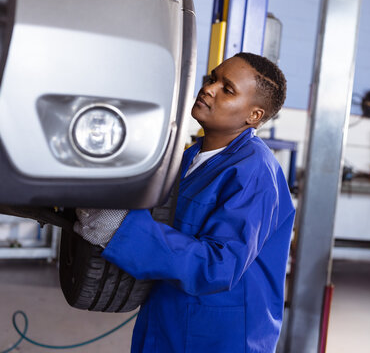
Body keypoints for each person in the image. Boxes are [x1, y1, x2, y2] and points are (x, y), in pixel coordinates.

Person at [74, 52, 295, 353]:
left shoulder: (254, 171)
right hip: (169, 316)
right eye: (212, 78)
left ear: (254, 116)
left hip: (217, 335)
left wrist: (120, 229)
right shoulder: (192, 157)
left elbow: (220, 265)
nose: (209, 89)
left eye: (227, 89)